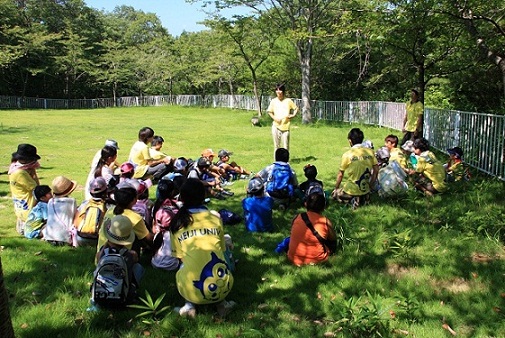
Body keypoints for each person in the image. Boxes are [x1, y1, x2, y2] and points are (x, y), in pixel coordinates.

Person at [170, 178, 236, 318]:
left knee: (183, 266)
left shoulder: (177, 222)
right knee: (219, 259)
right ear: (204, 195)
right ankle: (222, 304)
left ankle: (189, 306)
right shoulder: (215, 218)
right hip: (224, 285)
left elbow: (180, 257)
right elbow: (223, 249)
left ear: (181, 197)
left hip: (191, 287)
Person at [94, 214, 144, 306]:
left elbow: (97, 261)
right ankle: (131, 289)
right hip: (123, 299)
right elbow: (136, 259)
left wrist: (106, 243)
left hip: (101, 298)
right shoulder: (129, 255)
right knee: (138, 267)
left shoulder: (103, 252)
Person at [96, 186, 154, 260]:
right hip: (122, 260)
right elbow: (148, 238)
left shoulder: (110, 210)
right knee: (139, 234)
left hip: (101, 257)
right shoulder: (135, 217)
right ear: (134, 200)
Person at [331, 128, 378, 209]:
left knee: (335, 194)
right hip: (366, 189)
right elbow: (376, 170)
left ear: (350, 141)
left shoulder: (347, 154)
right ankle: (363, 198)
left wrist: (336, 188)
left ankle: (352, 199)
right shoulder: (370, 152)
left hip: (351, 189)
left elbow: (340, 174)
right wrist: (371, 185)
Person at [287, 192, 336, 266]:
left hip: (293, 258)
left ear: (306, 204)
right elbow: (333, 239)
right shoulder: (325, 221)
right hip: (317, 260)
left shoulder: (297, 217)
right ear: (324, 207)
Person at [8, 144, 41, 235]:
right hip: (29, 210)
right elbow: (37, 188)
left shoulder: (14, 168)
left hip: (21, 208)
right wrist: (34, 173)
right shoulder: (21, 174)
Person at [42, 176, 78, 245]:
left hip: (49, 237)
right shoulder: (71, 201)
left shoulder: (50, 201)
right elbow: (74, 217)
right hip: (65, 238)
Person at [74, 177, 108, 247]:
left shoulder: (85, 203)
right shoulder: (107, 206)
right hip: (97, 239)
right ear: (106, 191)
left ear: (90, 192)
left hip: (80, 237)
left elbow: (76, 222)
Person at [267, 84, 299, 152]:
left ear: (283, 91)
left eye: (280, 90)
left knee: (286, 147)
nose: (278, 91)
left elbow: (296, 108)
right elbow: (269, 112)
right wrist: (275, 118)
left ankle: (285, 162)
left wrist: (293, 115)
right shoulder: (273, 101)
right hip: (276, 126)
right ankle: (276, 161)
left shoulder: (288, 101)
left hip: (285, 127)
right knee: (276, 146)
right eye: (277, 90)